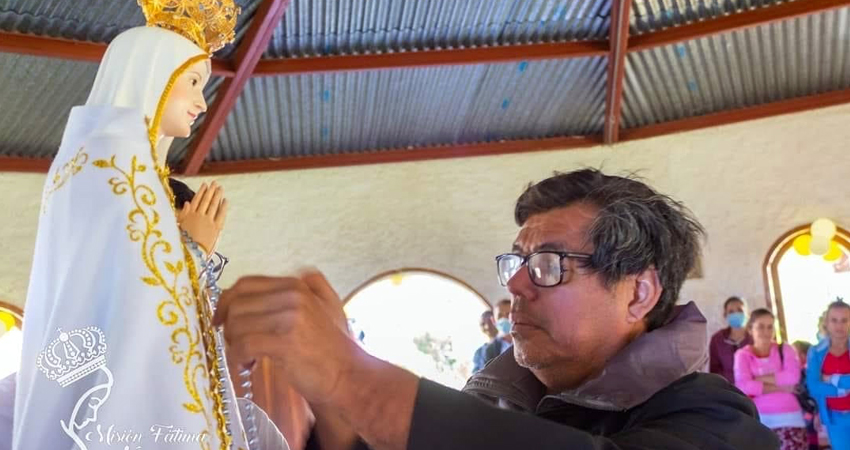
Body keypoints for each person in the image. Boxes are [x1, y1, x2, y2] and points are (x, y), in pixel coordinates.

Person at [213, 169, 778, 449]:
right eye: (518, 264)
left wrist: (352, 377)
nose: (520, 289)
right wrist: (331, 411)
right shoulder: (505, 395)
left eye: (549, 266)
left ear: (638, 292)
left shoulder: (714, 420)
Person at [11, 1, 265, 447]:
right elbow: (120, 296)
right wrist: (190, 250)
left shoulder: (127, 168)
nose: (201, 103)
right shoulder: (109, 164)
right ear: (151, 75)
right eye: (192, 82)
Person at [734, 308, 807, 449]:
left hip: (792, 419)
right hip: (761, 421)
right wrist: (780, 387)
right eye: (761, 327)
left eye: (770, 327)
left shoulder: (785, 349)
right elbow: (743, 386)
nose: (766, 332)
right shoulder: (742, 355)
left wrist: (757, 378)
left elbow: (793, 377)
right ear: (750, 329)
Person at [807, 301, 850, 449]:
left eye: (844, 320)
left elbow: (821, 384)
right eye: (834, 320)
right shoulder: (816, 352)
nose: (839, 325)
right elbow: (814, 387)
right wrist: (842, 389)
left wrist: (831, 379)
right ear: (827, 322)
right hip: (834, 418)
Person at [710, 296, 753, 384]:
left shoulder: (755, 337)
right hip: (728, 390)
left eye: (740, 310)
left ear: (748, 314)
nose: (736, 314)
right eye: (731, 312)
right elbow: (714, 371)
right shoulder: (717, 339)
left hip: (754, 389)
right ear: (725, 315)